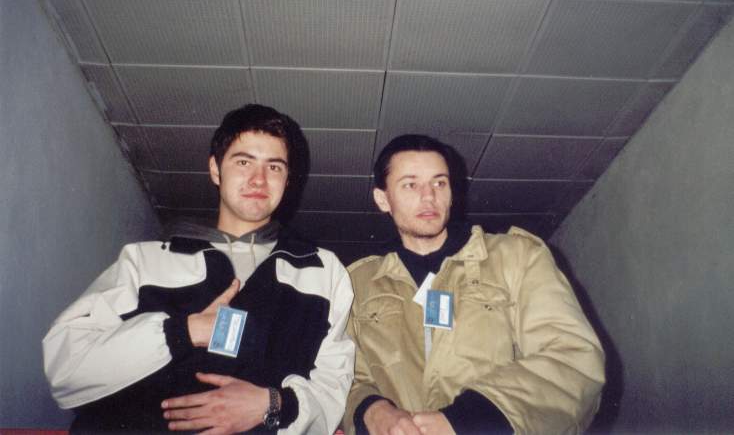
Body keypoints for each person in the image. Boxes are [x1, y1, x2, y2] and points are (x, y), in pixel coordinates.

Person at [43, 104, 355, 434]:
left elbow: (333, 389)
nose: (259, 179)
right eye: (244, 162)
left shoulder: (323, 271)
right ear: (216, 170)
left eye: (274, 167)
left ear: (288, 180)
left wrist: (273, 404)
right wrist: (183, 332)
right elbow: (66, 368)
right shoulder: (145, 262)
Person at [344, 135, 605, 435]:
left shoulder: (517, 257)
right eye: (410, 185)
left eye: (439, 182)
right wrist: (371, 410)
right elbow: (342, 376)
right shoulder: (357, 284)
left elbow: (574, 360)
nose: (429, 196)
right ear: (383, 199)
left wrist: (466, 421)